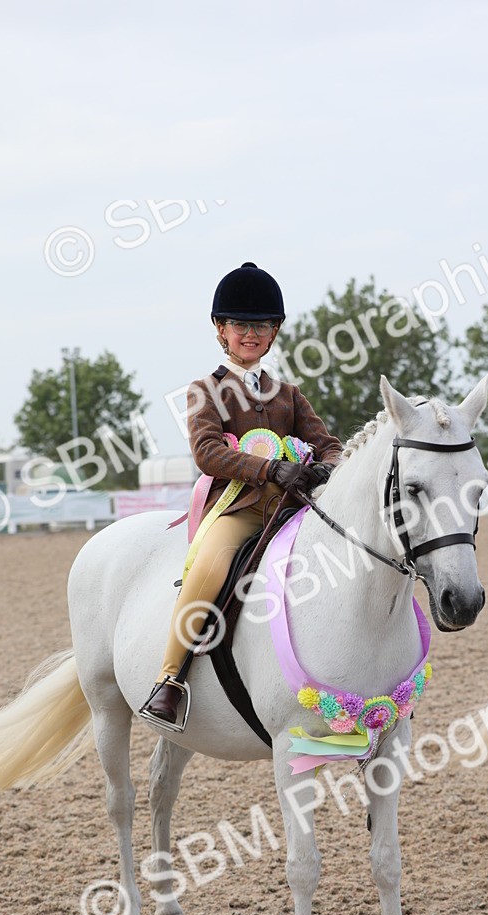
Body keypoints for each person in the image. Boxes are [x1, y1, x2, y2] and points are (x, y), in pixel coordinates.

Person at [142, 262, 343, 724]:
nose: (251, 334)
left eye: (262, 325)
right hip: (241, 509)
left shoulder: (287, 394)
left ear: (274, 333)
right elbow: (208, 452)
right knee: (210, 567)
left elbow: (328, 444)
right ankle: (169, 681)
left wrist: (322, 469)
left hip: (295, 512)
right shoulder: (204, 391)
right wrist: (271, 468)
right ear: (221, 329)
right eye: (241, 325)